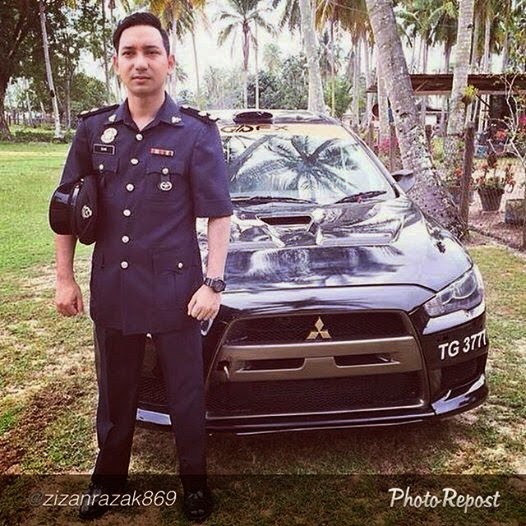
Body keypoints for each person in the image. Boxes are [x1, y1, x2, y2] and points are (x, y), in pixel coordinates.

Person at [53, 12, 232, 522]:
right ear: (115, 63)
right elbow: (65, 209)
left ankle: (194, 484)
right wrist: (64, 278)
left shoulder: (195, 132)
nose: (140, 62)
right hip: (114, 285)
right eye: (129, 53)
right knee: (115, 396)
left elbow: (219, 213)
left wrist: (213, 283)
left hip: (178, 291)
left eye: (151, 52)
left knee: (185, 394)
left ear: (169, 62)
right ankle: (108, 482)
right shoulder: (94, 130)